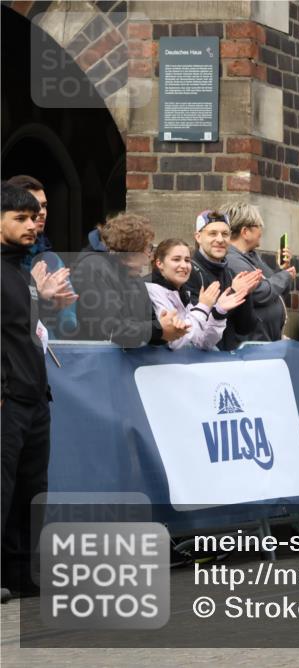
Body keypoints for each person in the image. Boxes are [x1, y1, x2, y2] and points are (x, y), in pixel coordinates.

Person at [1, 182, 75, 601]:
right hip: (8, 398)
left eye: (35, 218)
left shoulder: (20, 273)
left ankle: (20, 574)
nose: (32, 225)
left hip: (33, 398)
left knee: (31, 492)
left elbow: (23, 331)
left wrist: (44, 302)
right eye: (21, 218)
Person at [72, 213, 187, 348]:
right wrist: (158, 329)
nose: (149, 258)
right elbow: (109, 329)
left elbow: (147, 324)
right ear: (131, 250)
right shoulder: (93, 268)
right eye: (147, 249)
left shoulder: (134, 278)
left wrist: (167, 327)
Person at [5, 176, 78, 338]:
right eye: (32, 206)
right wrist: (37, 295)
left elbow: (69, 323)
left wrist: (56, 307)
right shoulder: (7, 262)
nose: (41, 212)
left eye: (44, 206)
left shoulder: (50, 259)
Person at [146, 239, 248, 350]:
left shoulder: (182, 292)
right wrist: (203, 307)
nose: (184, 265)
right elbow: (176, 342)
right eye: (176, 259)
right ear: (159, 263)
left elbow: (204, 342)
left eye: (187, 260)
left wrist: (219, 312)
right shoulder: (150, 290)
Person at [184, 210, 262, 352]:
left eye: (225, 234)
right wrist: (234, 292)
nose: (220, 239)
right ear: (198, 237)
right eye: (212, 233)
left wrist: (245, 293)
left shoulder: (230, 273)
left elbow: (245, 328)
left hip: (226, 361)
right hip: (198, 363)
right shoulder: (187, 272)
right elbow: (196, 327)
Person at [221, 201, 296, 342]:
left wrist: (282, 269)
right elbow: (260, 293)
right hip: (252, 345)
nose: (261, 231)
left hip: (265, 341)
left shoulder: (251, 256)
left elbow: (276, 292)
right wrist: (284, 276)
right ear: (245, 232)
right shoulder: (232, 260)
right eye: (258, 226)